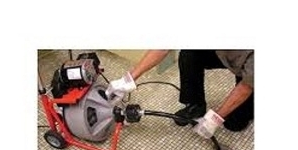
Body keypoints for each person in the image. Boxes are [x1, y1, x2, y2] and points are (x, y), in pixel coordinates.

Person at [105, 50, 254, 139]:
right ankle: (195, 105)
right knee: (190, 53)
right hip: (222, 51)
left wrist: (215, 119)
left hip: (249, 66)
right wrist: (128, 80)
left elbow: (246, 85)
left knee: (235, 124)